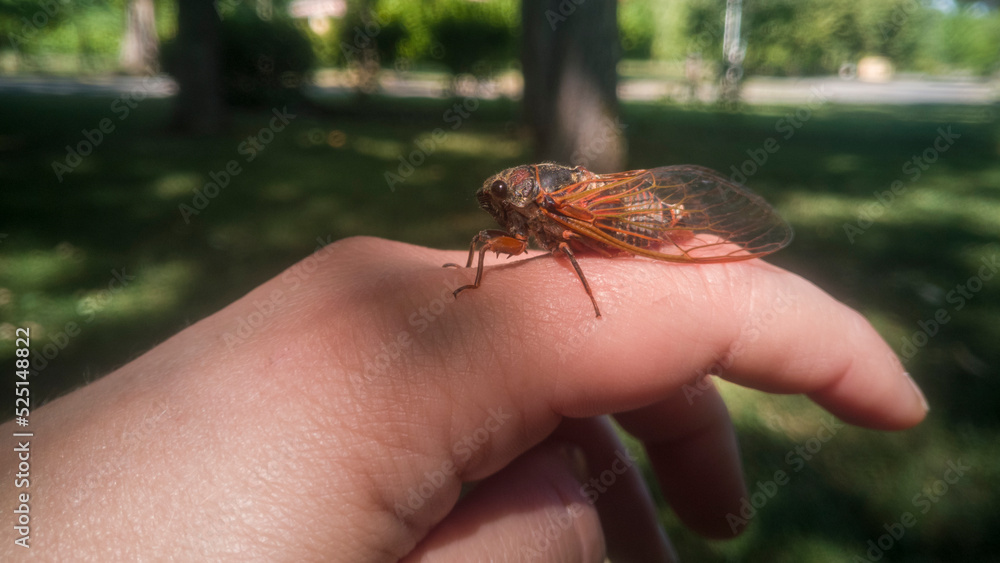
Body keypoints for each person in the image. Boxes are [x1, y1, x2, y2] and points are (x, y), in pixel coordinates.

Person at [2, 237, 927, 562]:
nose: (497, 215)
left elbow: (570, 244)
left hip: (609, 213)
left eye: (504, 203)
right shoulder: (507, 229)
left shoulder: (555, 214)